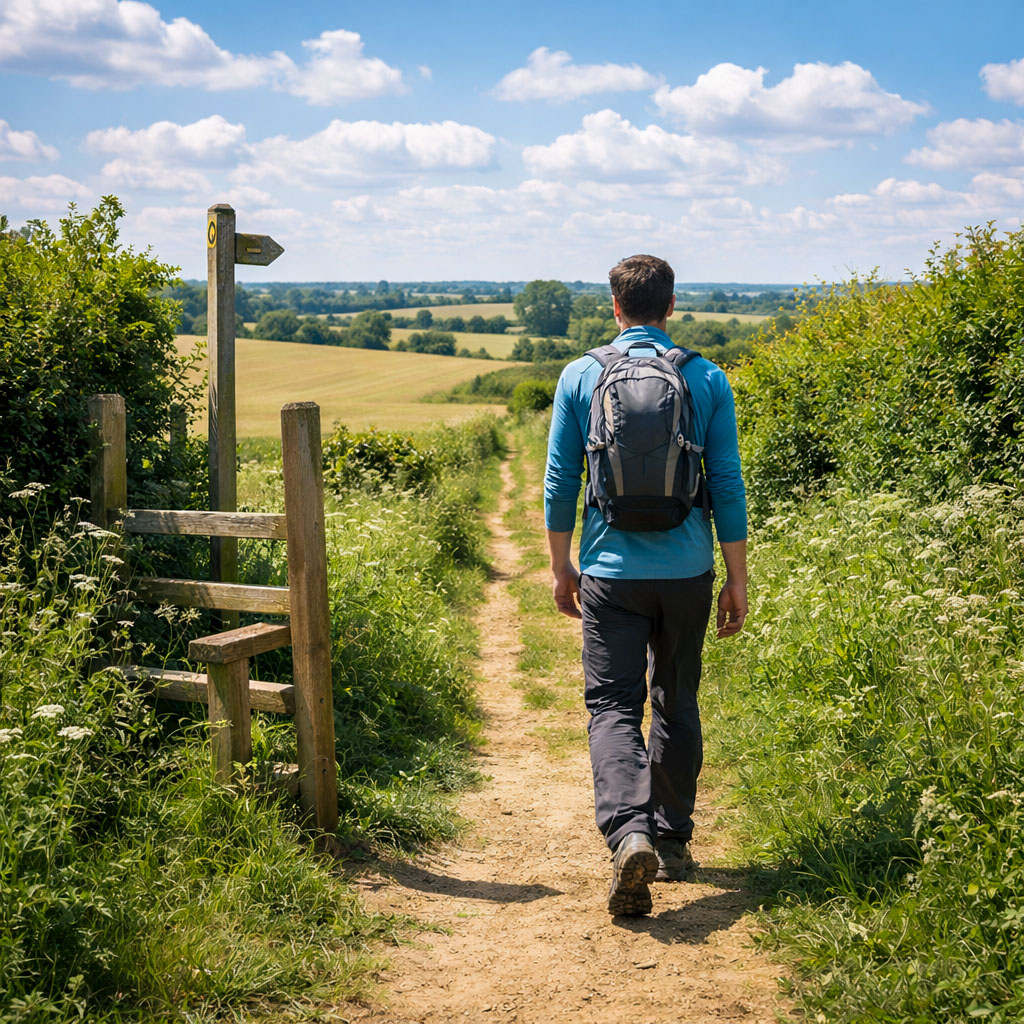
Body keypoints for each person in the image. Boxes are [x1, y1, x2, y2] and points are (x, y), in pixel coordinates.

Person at [543, 254, 748, 916]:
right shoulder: (708, 377)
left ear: (615, 306)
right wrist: (735, 578)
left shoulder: (581, 375)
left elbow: (560, 481)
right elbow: (726, 484)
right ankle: (673, 838)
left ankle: (629, 834)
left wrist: (560, 565)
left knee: (611, 707)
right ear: (672, 305)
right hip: (687, 572)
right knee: (677, 702)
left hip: (609, 574)